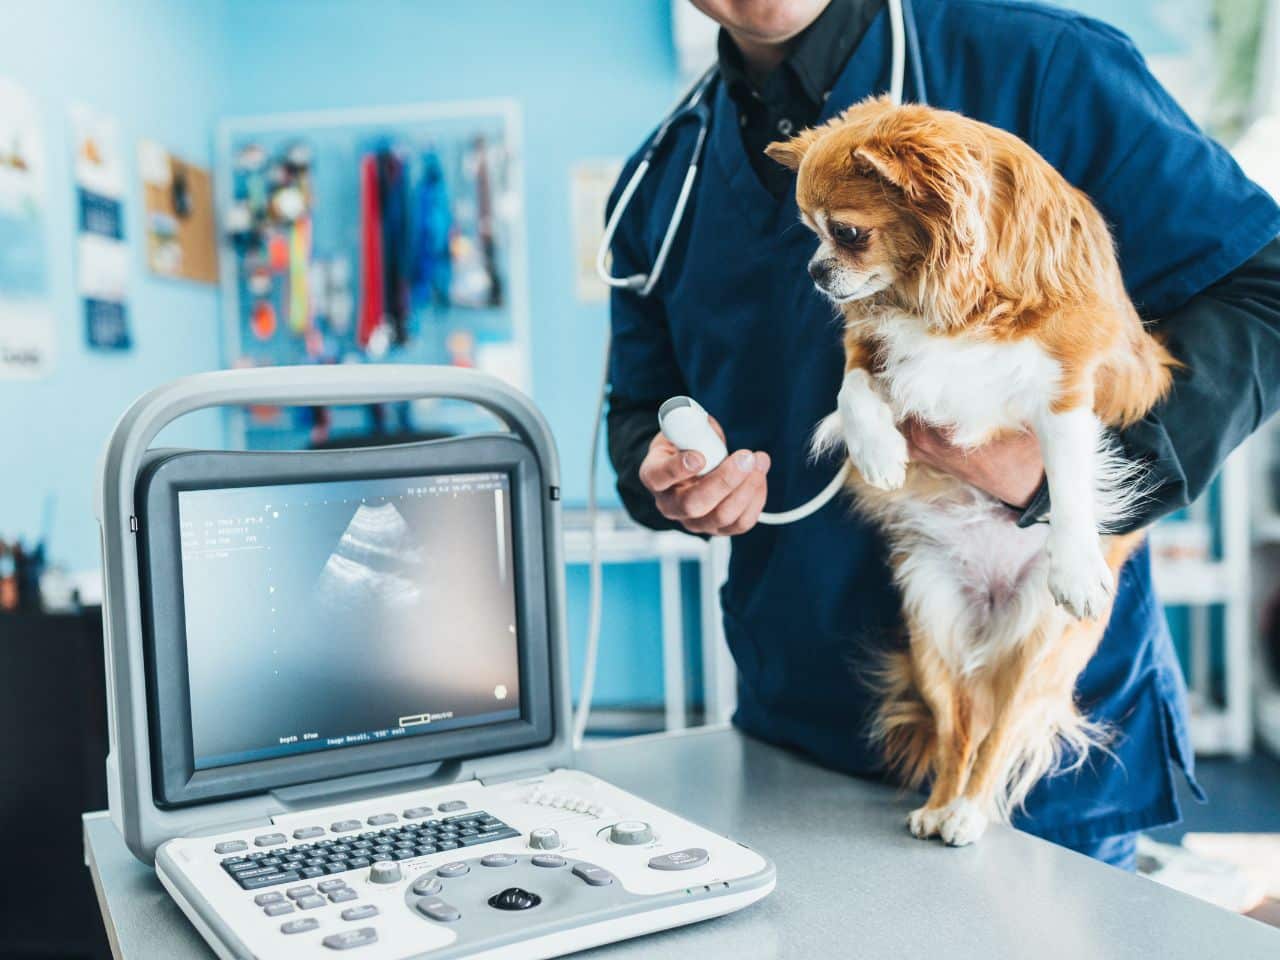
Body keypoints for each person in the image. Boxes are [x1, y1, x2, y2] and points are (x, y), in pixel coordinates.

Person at [606, 0, 1280, 870]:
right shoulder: (661, 180)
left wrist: (1063, 480)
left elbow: (1263, 291)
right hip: (798, 739)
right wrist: (659, 472)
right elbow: (640, 406)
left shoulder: (1042, 65)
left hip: (1044, 760)